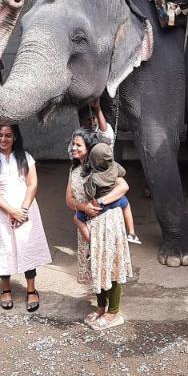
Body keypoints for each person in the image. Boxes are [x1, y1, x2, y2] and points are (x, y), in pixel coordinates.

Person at [0, 124, 53, 313]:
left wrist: (23, 210)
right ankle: (5, 289)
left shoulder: (25, 157)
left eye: (8, 135)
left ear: (15, 137)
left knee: (27, 246)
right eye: (0, 135)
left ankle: (31, 290)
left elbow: (32, 184)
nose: (3, 139)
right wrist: (11, 211)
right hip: (0, 210)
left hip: (25, 208)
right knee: (4, 247)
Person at [66, 129, 133, 331]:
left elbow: (123, 186)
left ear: (89, 148)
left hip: (107, 223)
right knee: (96, 266)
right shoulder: (74, 171)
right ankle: (101, 308)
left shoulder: (104, 169)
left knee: (110, 265)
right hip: (88, 223)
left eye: (78, 144)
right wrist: (83, 207)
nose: (73, 148)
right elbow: (69, 199)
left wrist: (101, 202)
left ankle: (114, 312)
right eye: (73, 144)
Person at [77, 99, 140, 243]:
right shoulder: (113, 168)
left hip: (97, 195)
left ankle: (92, 242)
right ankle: (131, 233)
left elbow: (89, 191)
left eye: (94, 119)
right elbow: (122, 172)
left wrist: (97, 108)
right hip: (110, 189)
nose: (92, 122)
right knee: (125, 203)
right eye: (89, 119)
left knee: (78, 218)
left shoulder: (102, 135)